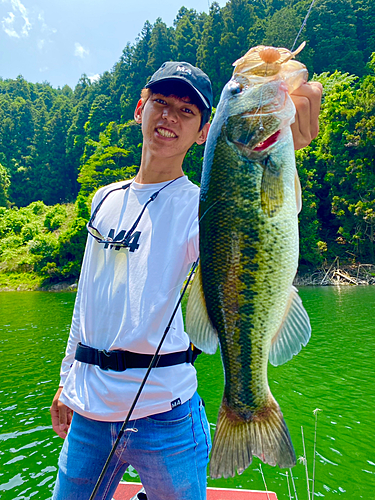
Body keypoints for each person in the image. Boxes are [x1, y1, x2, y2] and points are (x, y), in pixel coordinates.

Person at [50, 61, 322, 500]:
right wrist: (67, 378)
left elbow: (255, 229)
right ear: (141, 108)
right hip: (87, 412)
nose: (170, 116)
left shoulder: (205, 205)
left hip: (168, 415)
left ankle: (247, 401)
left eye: (187, 110)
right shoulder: (104, 199)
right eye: (161, 102)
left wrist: (285, 157)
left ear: (204, 132)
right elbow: (87, 299)